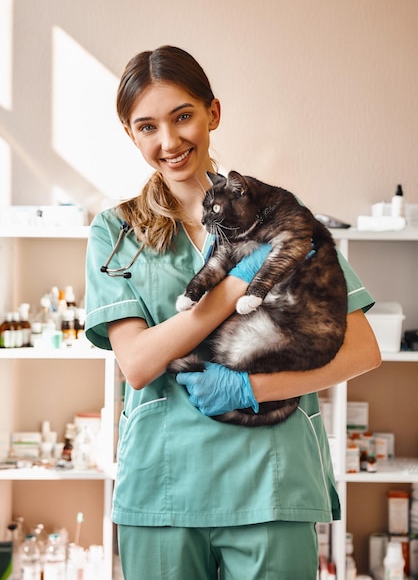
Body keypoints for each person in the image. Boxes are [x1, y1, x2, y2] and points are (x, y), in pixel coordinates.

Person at [85, 45, 381, 580]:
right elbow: (137, 363)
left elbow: (362, 348)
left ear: (212, 114)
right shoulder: (117, 232)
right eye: (147, 126)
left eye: (183, 117)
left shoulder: (281, 214)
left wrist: (252, 390)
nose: (170, 142)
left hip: (272, 480)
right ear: (131, 135)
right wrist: (233, 285)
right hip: (164, 482)